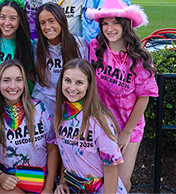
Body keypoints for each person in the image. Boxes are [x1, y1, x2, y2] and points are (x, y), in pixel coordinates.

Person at [86, 0, 158, 191]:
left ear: (126, 25)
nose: (110, 28)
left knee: (121, 180)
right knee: (102, 176)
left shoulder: (140, 58)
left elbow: (144, 97)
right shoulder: (94, 48)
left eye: (115, 22)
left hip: (128, 127)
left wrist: (126, 133)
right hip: (100, 123)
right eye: (105, 23)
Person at [0, 59, 58, 194]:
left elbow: (52, 150)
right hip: (12, 182)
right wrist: (0, 176)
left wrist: (49, 188)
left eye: (18, 80)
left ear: (25, 83)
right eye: (6, 80)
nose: (13, 86)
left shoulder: (40, 110)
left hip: (42, 181)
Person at [54, 58, 127, 194]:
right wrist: (62, 182)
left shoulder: (99, 120)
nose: (72, 87)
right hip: (74, 188)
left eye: (79, 82)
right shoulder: (60, 114)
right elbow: (67, 155)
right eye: (67, 80)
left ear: (89, 85)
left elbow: (111, 170)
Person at [32, 2, 88, 115]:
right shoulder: (36, 46)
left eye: (52, 21)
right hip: (42, 101)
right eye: (42, 23)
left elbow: (86, 77)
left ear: (61, 20)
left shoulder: (79, 44)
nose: (47, 27)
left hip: (70, 100)